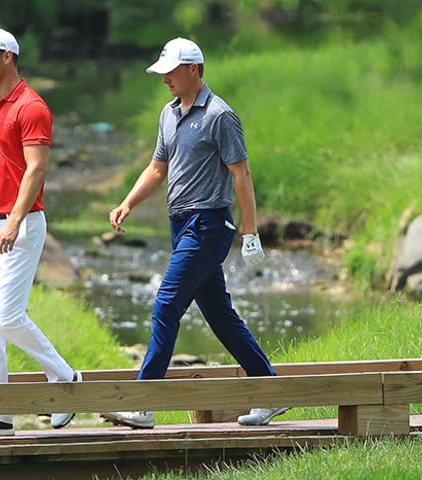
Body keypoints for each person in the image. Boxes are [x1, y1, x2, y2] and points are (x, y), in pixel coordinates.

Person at [101, 37, 289, 429]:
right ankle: (271, 393)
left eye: (172, 71)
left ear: (194, 70)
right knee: (220, 316)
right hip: (180, 224)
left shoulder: (220, 116)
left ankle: (143, 404)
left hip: (208, 225)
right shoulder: (168, 115)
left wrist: (249, 231)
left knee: (167, 304)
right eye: (162, 72)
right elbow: (157, 169)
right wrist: (127, 203)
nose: (165, 78)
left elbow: (242, 173)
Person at [0, 28, 81, 436]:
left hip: (18, 227)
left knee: (6, 318)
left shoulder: (32, 107)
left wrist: (14, 221)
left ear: (7, 57)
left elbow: (36, 169)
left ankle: (65, 378)